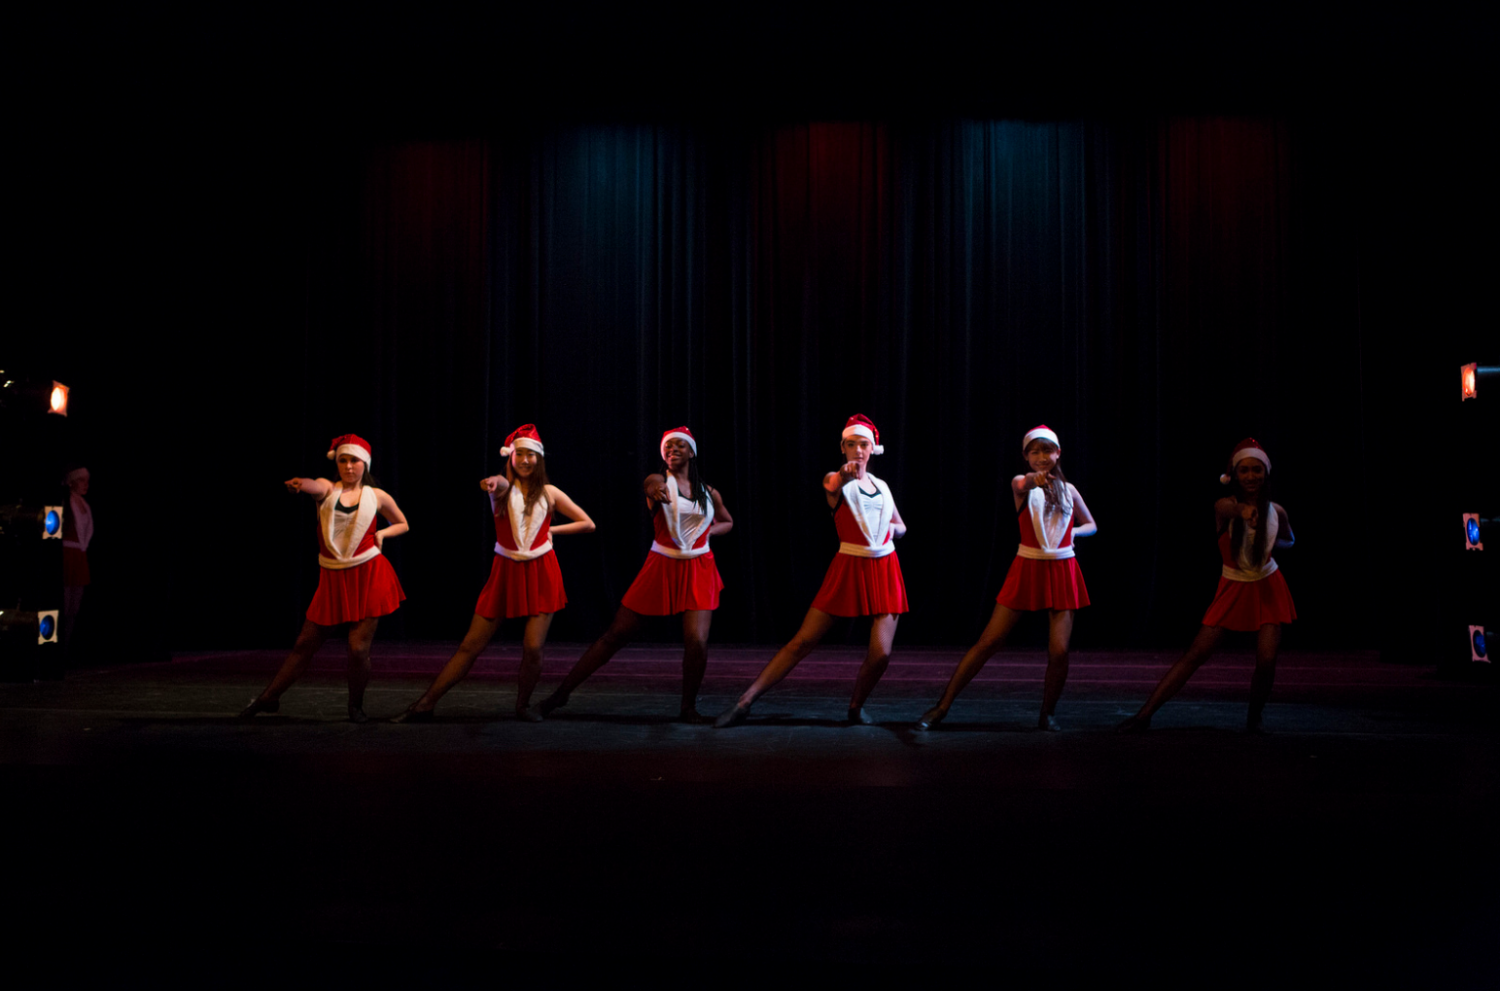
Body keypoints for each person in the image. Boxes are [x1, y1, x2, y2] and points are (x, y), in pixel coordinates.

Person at [392, 424, 594, 723]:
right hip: (506, 572)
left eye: (531, 455)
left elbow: (587, 523)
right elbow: (498, 484)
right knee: (471, 645)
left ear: (539, 459)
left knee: (533, 647)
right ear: (510, 457)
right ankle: (424, 704)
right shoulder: (502, 490)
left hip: (542, 572)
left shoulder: (550, 493)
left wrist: (550, 530)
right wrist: (492, 482)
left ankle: (523, 705)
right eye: (519, 454)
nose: (525, 460)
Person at [715, 415, 907, 728]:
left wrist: (892, 531)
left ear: (873, 448)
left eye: (863, 444)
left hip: (885, 566)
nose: (857, 450)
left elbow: (901, 525)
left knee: (882, 654)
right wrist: (844, 475)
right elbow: (834, 483)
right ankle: (744, 701)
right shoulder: (836, 479)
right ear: (843, 448)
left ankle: (856, 707)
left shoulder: (883, 487)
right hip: (849, 565)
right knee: (803, 641)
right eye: (851, 444)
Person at [535, 426, 732, 723]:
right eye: (668, 447)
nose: (673, 450)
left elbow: (726, 521)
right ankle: (561, 694)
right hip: (662, 565)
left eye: (680, 445)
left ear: (692, 452)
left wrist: (707, 533)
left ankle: (688, 707)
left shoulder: (709, 492)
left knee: (696, 641)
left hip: (699, 568)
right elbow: (650, 484)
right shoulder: (658, 481)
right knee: (615, 635)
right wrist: (655, 489)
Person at [918, 425, 1096, 731]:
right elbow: (1023, 483)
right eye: (1035, 452)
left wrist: (1075, 533)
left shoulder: (1070, 490)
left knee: (1059, 650)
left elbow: (1090, 523)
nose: (1041, 457)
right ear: (1026, 457)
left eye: (1047, 451)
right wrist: (1033, 480)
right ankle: (942, 705)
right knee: (989, 641)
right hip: (1027, 566)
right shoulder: (1021, 483)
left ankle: (1047, 713)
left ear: (1058, 453)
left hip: (1063, 568)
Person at [1118, 438, 1295, 734]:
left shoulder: (1277, 511)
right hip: (1233, 588)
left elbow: (1289, 539)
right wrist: (1247, 514)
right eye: (1244, 471)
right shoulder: (1225, 506)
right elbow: (1232, 510)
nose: (1251, 476)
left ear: (1266, 473)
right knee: (1196, 654)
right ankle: (1143, 715)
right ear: (1234, 476)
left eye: (1257, 470)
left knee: (1267, 659)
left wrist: (1272, 538)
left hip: (1268, 585)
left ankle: (1254, 718)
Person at [240, 434, 409, 723]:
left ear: (364, 463)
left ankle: (356, 706)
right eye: (343, 460)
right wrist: (300, 484)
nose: (348, 466)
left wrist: (382, 533)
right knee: (305, 644)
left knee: (358, 648)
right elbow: (313, 485)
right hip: (332, 579)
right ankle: (269, 697)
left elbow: (403, 523)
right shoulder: (328, 489)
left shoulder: (376, 496)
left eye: (354, 460)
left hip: (369, 574)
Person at [60, 466, 93, 653]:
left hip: (79, 556)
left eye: (87, 481)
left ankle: (65, 649)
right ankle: (57, 650)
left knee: (74, 608)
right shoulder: (66, 501)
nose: (86, 485)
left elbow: (87, 533)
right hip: (67, 554)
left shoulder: (85, 505)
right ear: (72, 482)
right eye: (81, 480)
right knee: (64, 605)